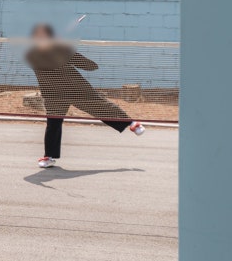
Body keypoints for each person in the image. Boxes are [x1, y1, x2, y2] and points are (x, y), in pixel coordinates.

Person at [25, 23, 144, 168]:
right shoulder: (31, 54)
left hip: (76, 89)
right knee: (53, 124)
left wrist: (66, 51)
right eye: (37, 36)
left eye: (43, 36)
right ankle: (48, 156)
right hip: (54, 94)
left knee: (100, 106)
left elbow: (91, 66)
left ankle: (131, 123)